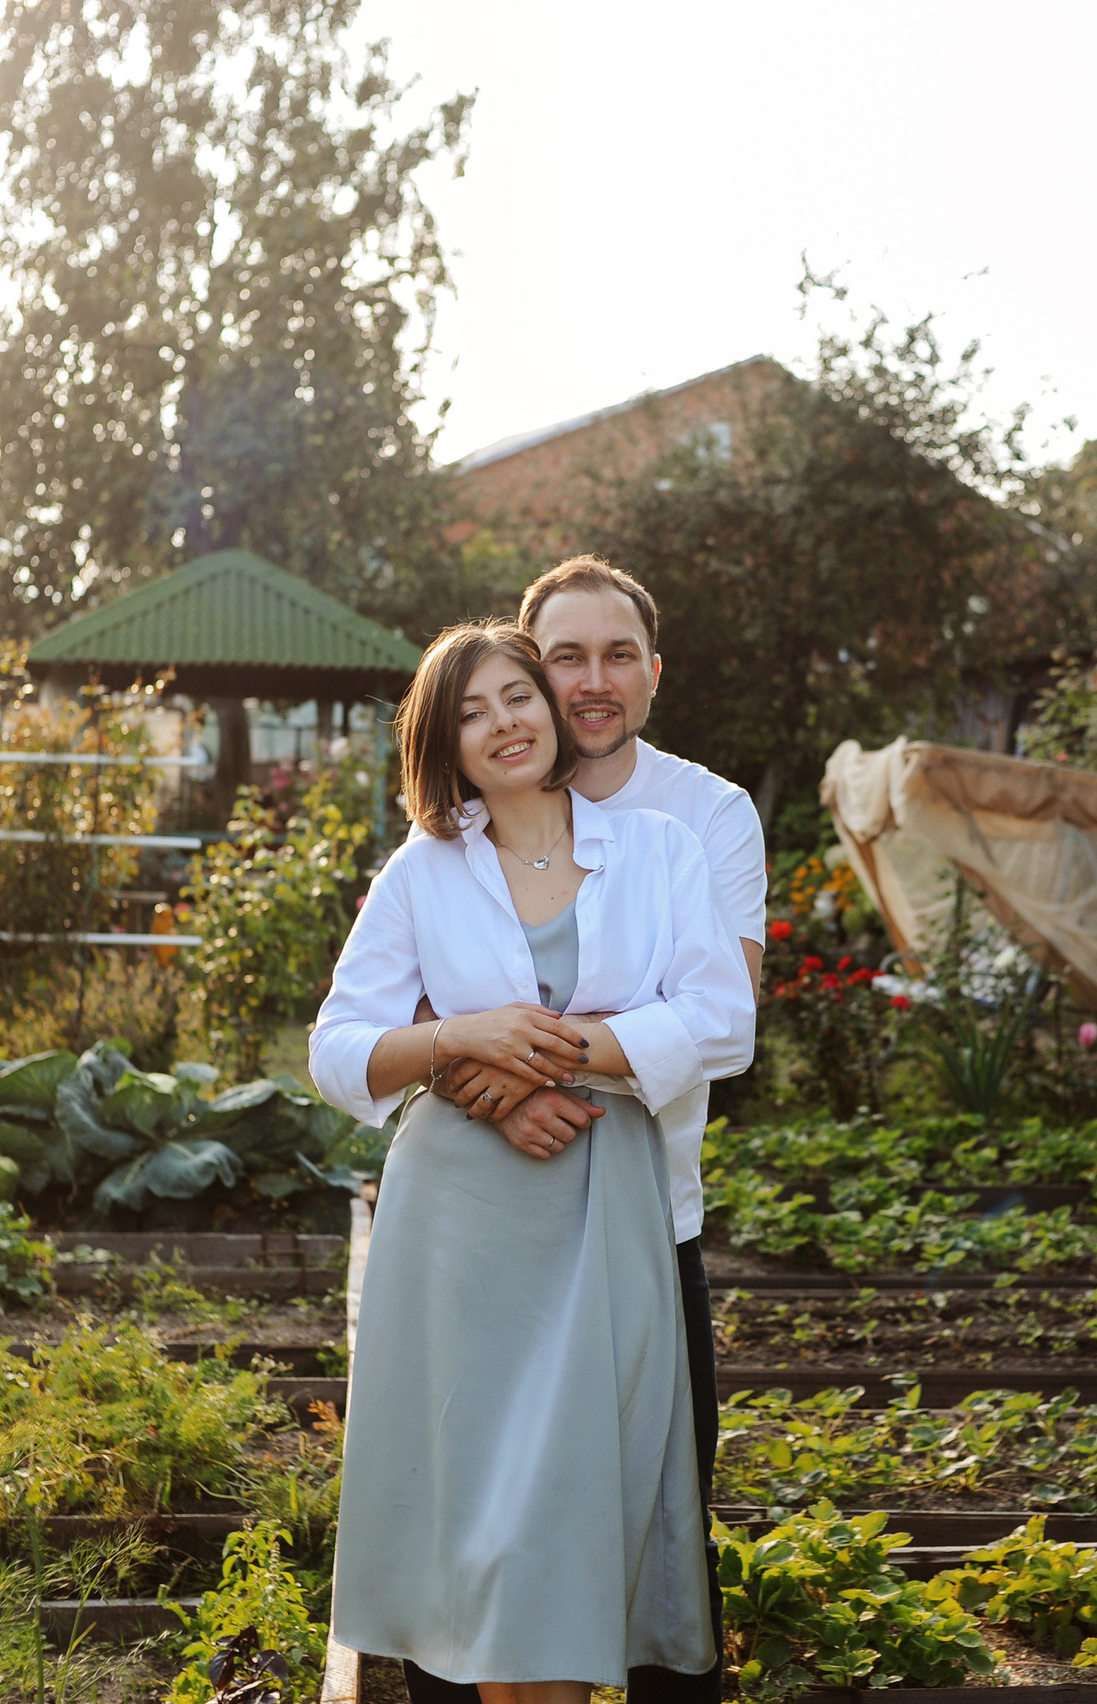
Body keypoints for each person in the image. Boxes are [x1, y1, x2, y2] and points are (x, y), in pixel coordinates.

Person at [311, 619, 755, 1704]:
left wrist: (551, 1054)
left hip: (605, 1220)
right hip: (457, 1236)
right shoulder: (420, 872)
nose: (502, 722)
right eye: (469, 712)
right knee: (486, 1544)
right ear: (442, 746)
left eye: (516, 695)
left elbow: (722, 1020)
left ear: (549, 710)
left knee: (569, 1519)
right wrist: (463, 1040)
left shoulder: (659, 848)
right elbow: (336, 1053)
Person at [426, 556, 768, 1704]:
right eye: (563, 656)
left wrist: (523, 1051)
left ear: (654, 671)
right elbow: (420, 1016)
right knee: (480, 1516)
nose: (591, 679)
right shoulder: (469, 813)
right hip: (490, 1216)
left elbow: (719, 1013)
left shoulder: (705, 819)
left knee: (652, 1516)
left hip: (642, 1216)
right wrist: (493, 1081)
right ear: (528, 666)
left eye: (617, 653)